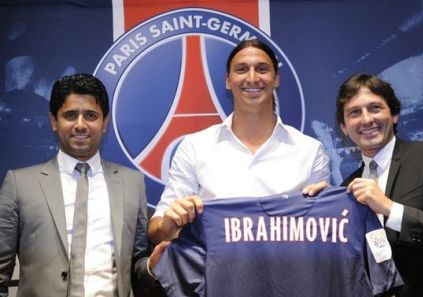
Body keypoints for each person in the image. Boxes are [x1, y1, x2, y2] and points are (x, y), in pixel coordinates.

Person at [148, 39, 331, 244]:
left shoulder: (310, 150)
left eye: (262, 69)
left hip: (288, 272)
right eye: (242, 69)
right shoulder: (195, 147)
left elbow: (324, 231)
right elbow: (156, 231)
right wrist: (169, 224)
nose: (252, 78)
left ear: (276, 78)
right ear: (228, 80)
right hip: (213, 274)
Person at [0, 73, 167, 297]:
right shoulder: (19, 183)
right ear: (53, 121)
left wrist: (151, 266)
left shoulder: (131, 182)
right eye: (70, 115)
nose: (80, 125)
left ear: (104, 122)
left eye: (90, 115)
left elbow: (135, 264)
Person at [337, 72, 423, 296]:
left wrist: (390, 209)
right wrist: (318, 204)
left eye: (375, 108)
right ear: (344, 127)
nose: (366, 119)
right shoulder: (347, 188)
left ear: (394, 115)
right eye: (354, 112)